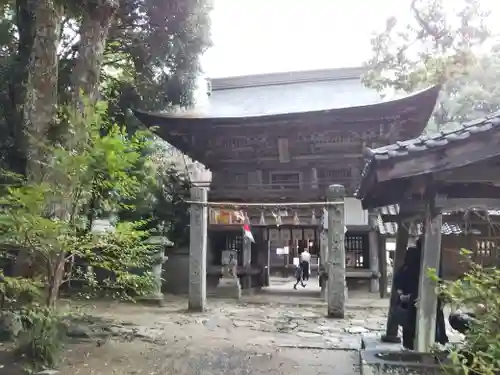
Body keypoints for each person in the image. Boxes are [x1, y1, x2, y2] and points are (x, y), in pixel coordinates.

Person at [393, 239, 449, 350]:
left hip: (414, 296)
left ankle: (412, 345)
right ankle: (436, 343)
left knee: (412, 321)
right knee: (432, 319)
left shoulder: (413, 258)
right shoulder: (433, 259)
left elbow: (399, 277)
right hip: (425, 295)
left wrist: (401, 293)